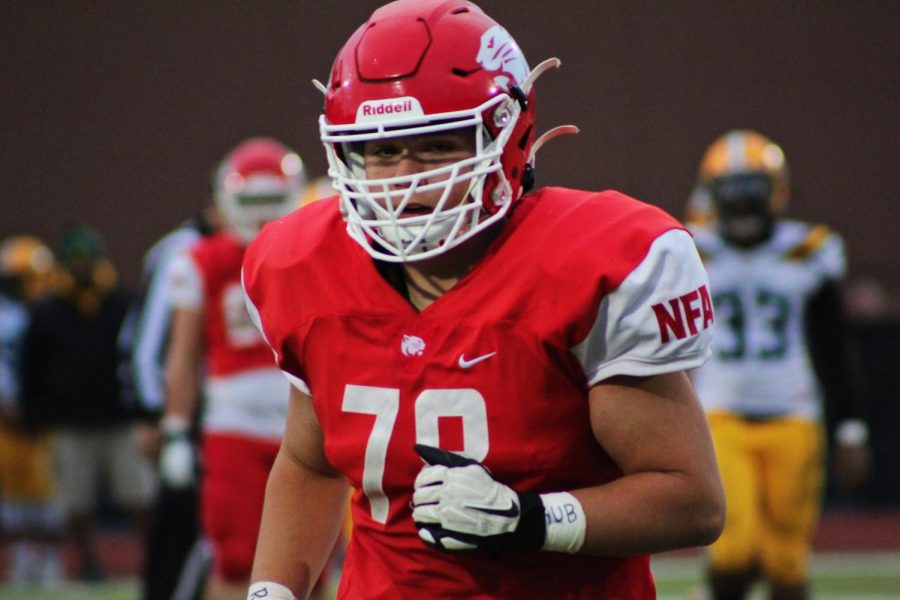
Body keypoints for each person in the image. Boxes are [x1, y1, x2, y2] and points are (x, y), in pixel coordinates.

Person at [241, 2, 725, 599]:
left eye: (437, 146)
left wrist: (532, 519)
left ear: (508, 135)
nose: (404, 179)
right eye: (382, 151)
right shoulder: (305, 265)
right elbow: (309, 464)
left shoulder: (586, 265)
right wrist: (273, 592)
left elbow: (691, 500)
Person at [686, 130, 871, 600]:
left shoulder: (810, 250)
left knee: (786, 565)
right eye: (732, 194)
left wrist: (850, 426)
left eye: (751, 193)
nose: (743, 207)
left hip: (793, 413)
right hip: (719, 415)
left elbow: (833, 344)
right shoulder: (690, 249)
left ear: (776, 190)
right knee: (732, 553)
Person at [159, 138, 304, 600]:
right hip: (234, 425)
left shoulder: (311, 252)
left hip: (302, 420)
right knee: (236, 559)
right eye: (250, 201)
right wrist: (176, 429)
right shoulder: (202, 261)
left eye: (269, 199)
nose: (261, 214)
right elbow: (183, 354)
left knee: (309, 563)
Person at [19, 224, 157, 582]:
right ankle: (89, 563)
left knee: (139, 494)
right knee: (75, 501)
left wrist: (143, 408)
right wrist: (34, 412)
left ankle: (154, 559)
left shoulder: (121, 302)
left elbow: (140, 353)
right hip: (70, 420)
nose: (81, 268)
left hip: (118, 417)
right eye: (75, 261)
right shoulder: (48, 309)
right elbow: (31, 364)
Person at [117, 207, 220, 600]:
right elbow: (148, 339)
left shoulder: (230, 247)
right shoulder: (185, 250)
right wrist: (152, 414)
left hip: (221, 413)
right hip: (187, 415)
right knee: (183, 527)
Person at [0, 235, 65, 586]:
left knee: (48, 491)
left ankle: (49, 559)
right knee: (13, 493)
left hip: (40, 415)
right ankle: (23, 558)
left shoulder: (47, 314)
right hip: (6, 416)